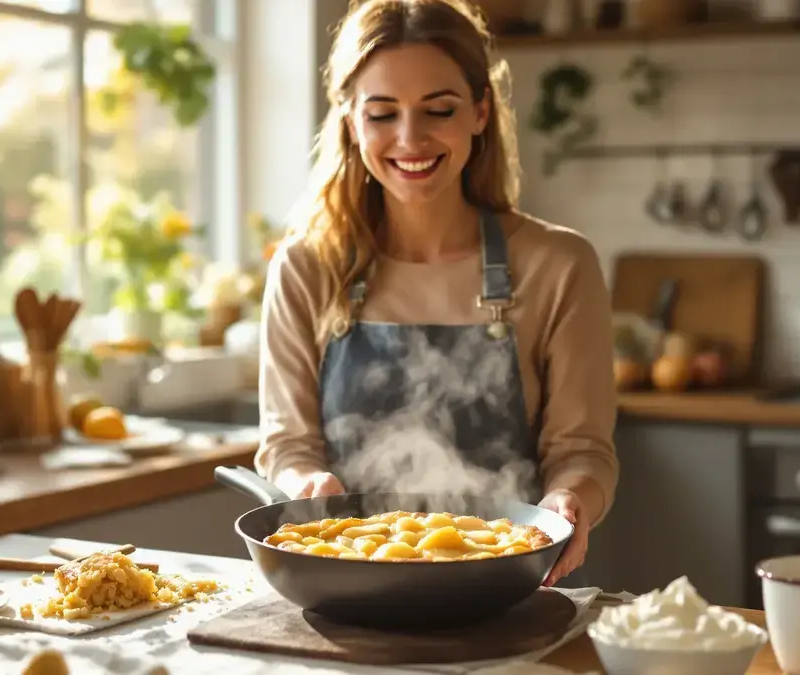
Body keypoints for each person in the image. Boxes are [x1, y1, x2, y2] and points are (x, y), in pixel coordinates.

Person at [254, 0, 618, 588]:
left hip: (507, 588)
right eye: (381, 114)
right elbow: (288, 445)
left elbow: (582, 449)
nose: (410, 138)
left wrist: (569, 501)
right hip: (345, 587)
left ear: (480, 111)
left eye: (438, 109)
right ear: (350, 121)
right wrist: (304, 485)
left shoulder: (558, 264)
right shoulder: (306, 267)